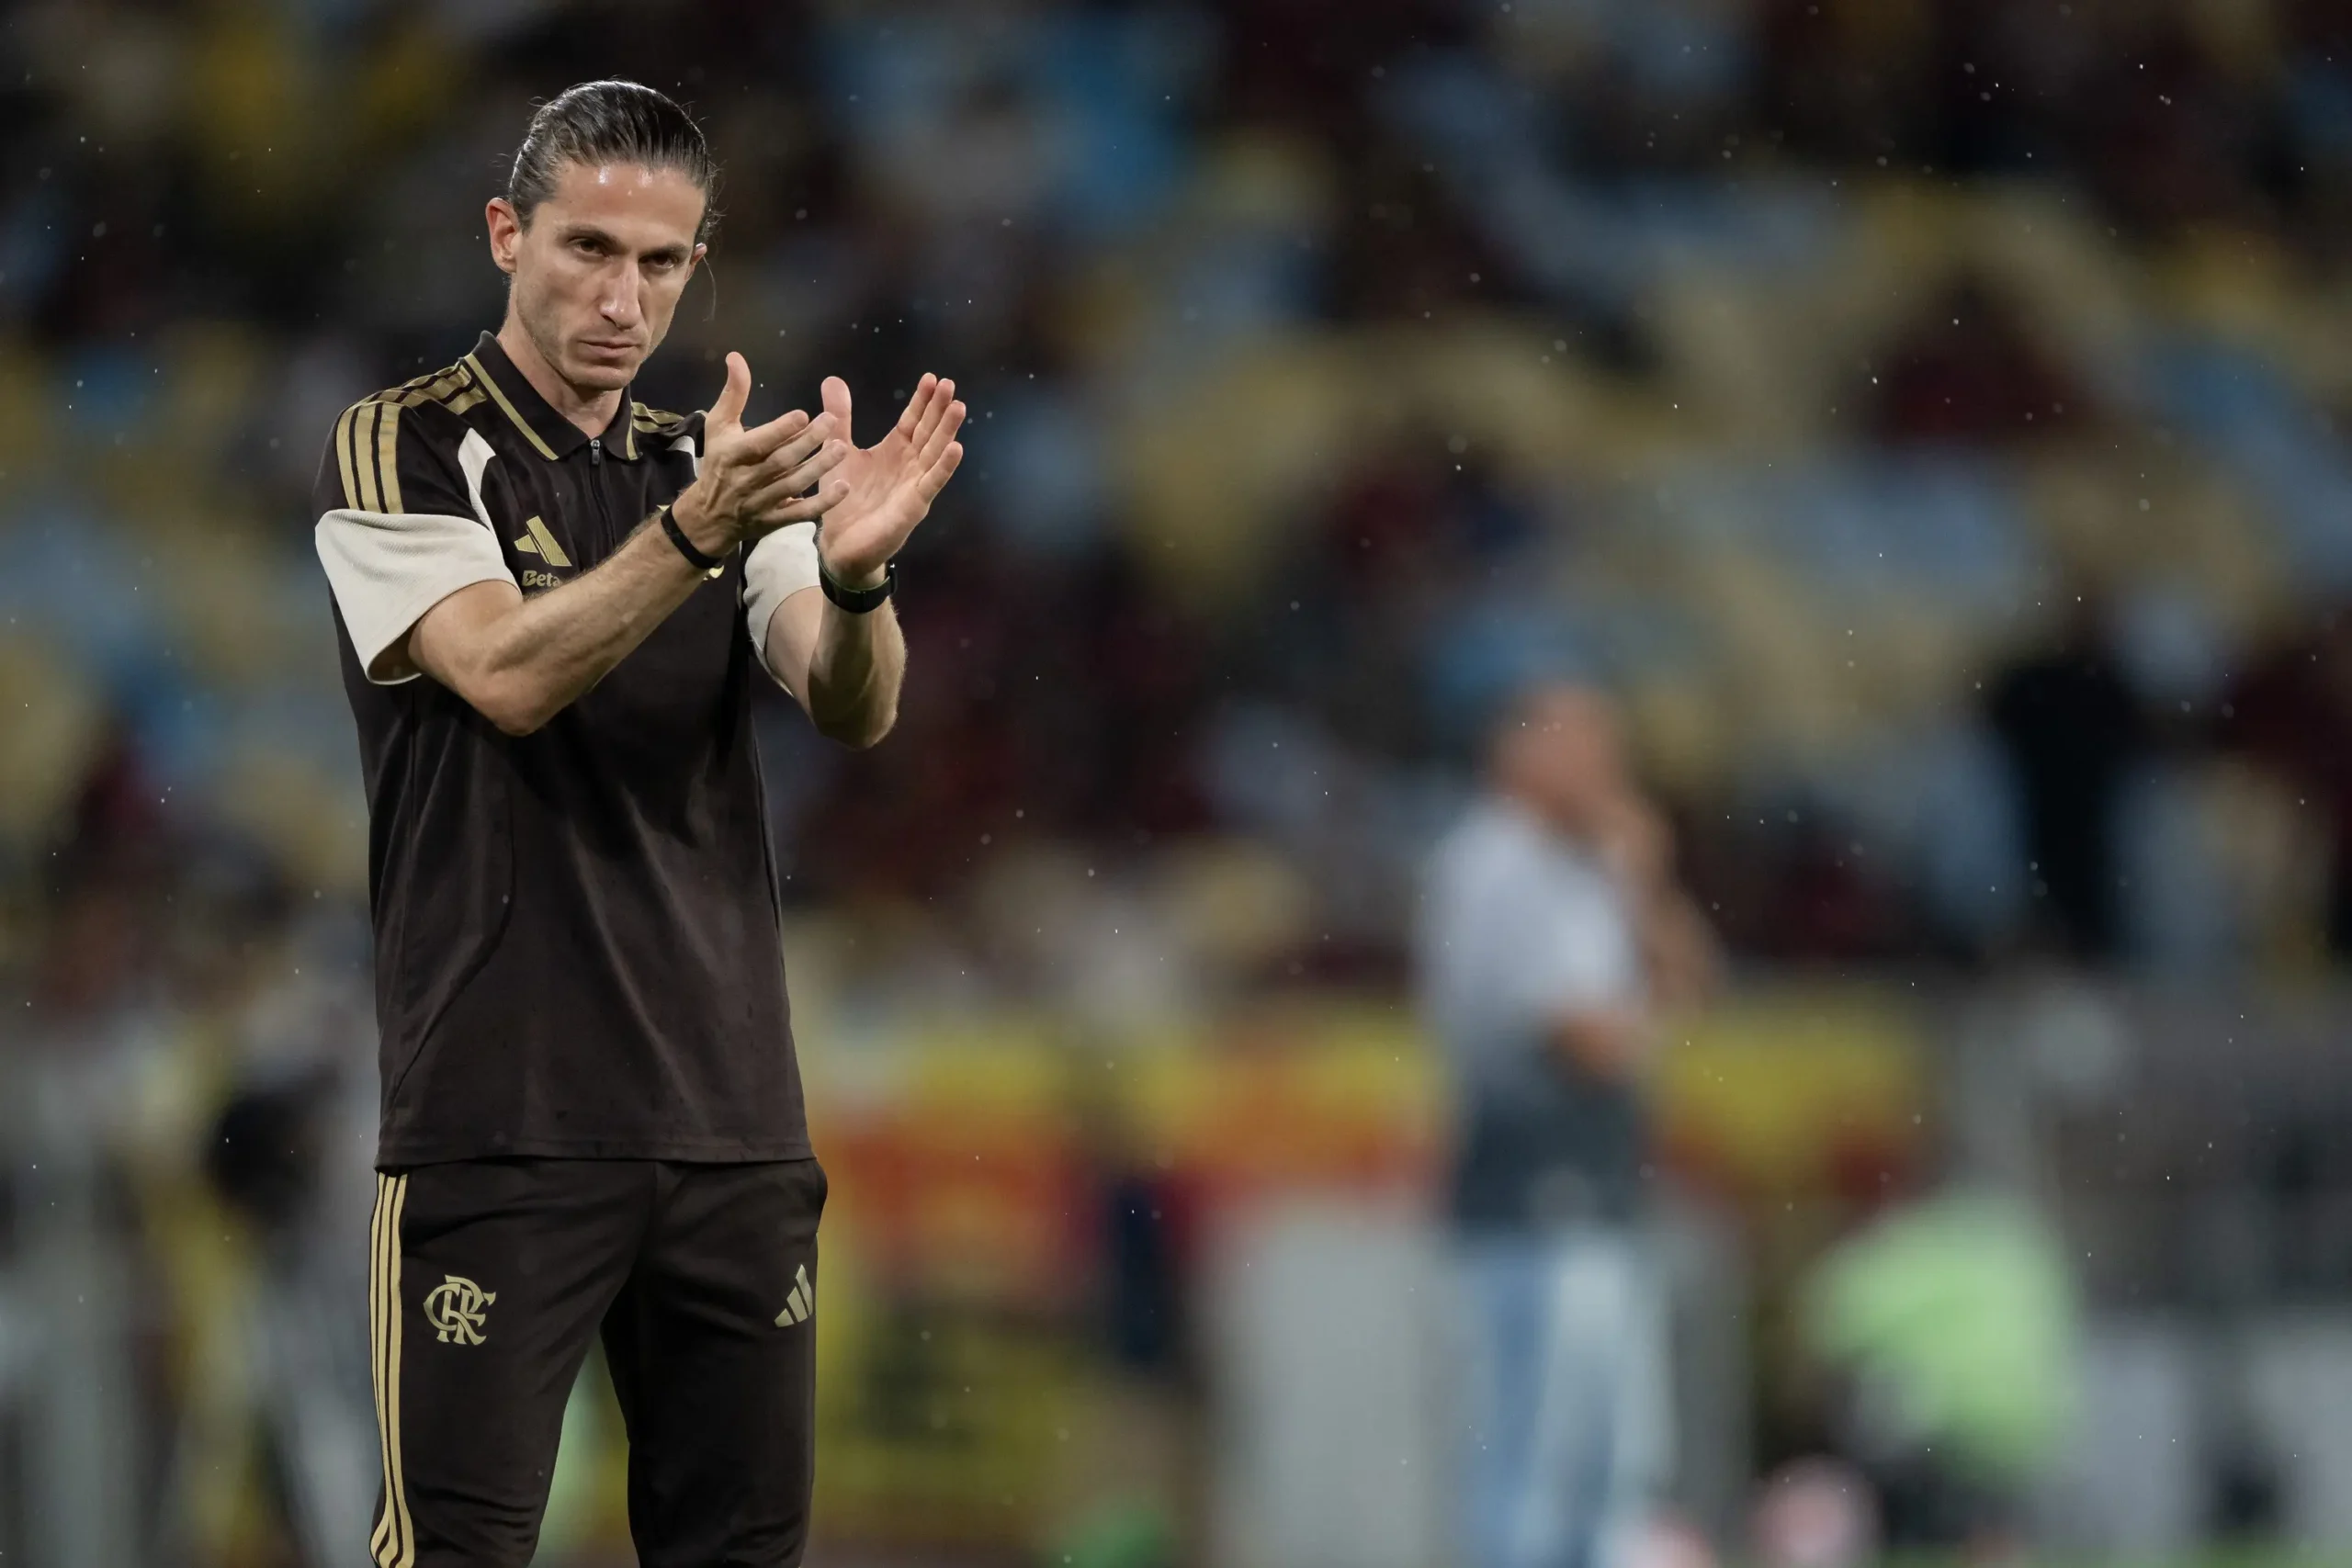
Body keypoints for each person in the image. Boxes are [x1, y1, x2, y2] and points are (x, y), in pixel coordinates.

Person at [309, 81, 965, 1567]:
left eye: (662, 263)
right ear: (506, 235)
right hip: (502, 1115)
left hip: (731, 1119)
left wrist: (855, 577)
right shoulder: (408, 443)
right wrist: (695, 535)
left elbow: (847, 699)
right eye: (588, 249)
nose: (623, 300)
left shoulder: (714, 463)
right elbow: (502, 671)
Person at [1417, 682, 1717, 1568]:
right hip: (1529, 1200)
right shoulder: (1493, 864)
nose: (1605, 764)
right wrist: (1651, 1024)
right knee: (1533, 1464)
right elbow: (1586, 1042)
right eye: (1582, 740)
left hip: (1598, 1192)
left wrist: (1644, 881)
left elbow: (1692, 980)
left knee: (1609, 1469)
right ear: (1516, 749)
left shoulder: (1588, 867)